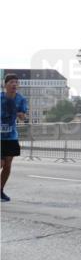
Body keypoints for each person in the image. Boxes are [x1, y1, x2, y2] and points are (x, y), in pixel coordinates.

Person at [1, 74, 29, 202]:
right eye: (12, 82)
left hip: (11, 136)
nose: (14, 84)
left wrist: (21, 115)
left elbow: (23, 116)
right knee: (1, 163)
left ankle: (0, 190)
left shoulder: (21, 99)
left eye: (16, 82)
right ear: (5, 84)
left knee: (7, 165)